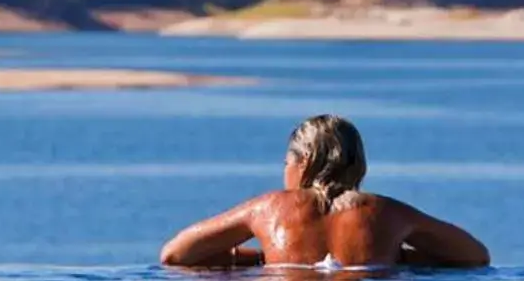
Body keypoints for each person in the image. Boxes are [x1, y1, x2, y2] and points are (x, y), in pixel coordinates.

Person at [158, 115, 491, 270]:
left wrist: (266, 258)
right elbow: (474, 255)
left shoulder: (268, 208)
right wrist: (398, 255)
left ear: (303, 162)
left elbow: (175, 254)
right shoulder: (387, 212)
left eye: (285, 160)